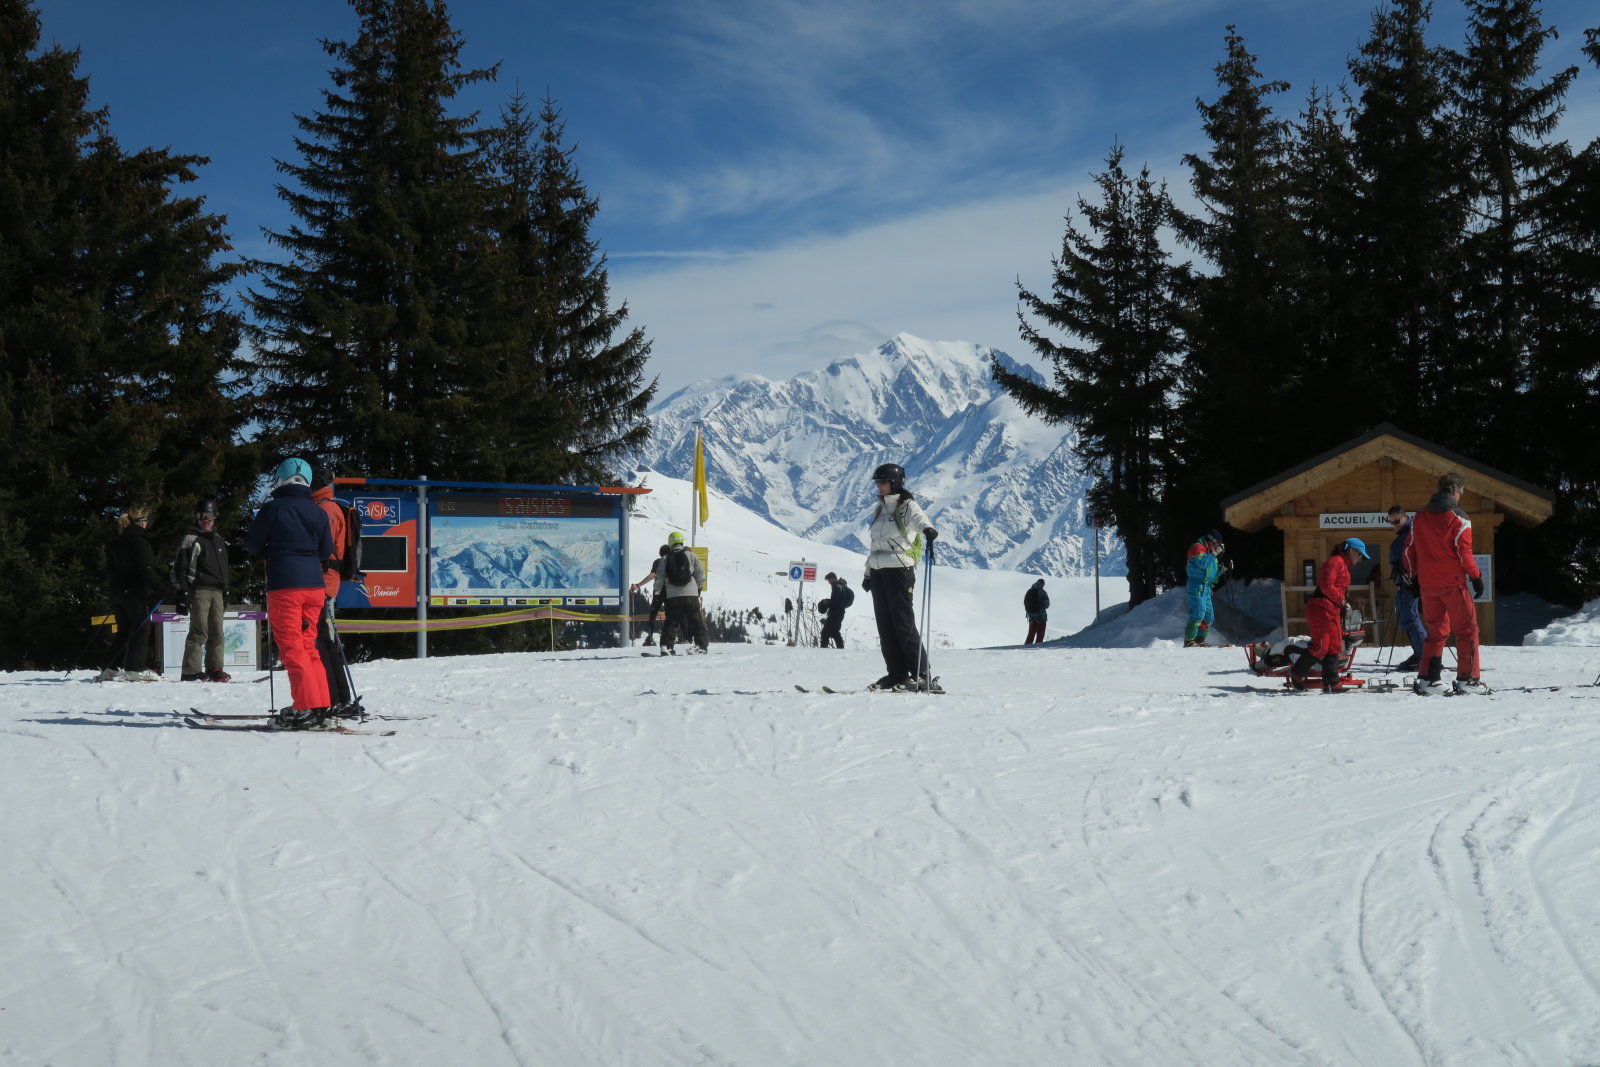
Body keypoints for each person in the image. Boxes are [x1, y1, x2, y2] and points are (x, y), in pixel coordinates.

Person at [244, 458, 335, 727]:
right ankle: (320, 705)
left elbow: (252, 543)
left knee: (292, 647)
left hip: (285, 584)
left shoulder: (273, 508)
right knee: (310, 645)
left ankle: (304, 708)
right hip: (314, 585)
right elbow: (326, 550)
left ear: (280, 479)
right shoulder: (318, 511)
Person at [1403, 472, 1486, 695]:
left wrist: (1412, 577)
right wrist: (1476, 576)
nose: (1461, 497)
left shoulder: (1419, 517)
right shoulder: (1459, 517)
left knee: (1436, 631)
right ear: (1455, 490)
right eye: (1461, 493)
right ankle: (1468, 679)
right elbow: (1464, 552)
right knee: (1468, 630)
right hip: (1453, 584)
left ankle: (1428, 679)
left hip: (1428, 585)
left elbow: (1409, 551)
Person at [862, 462, 938, 691]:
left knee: (903, 623)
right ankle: (896, 673)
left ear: (894, 483)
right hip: (878, 571)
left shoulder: (907, 506)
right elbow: (875, 545)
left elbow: (921, 521)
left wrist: (929, 531)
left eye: (882, 481)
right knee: (885, 625)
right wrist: (868, 573)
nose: (878, 485)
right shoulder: (881, 509)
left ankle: (921, 674)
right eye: (878, 481)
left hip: (899, 569)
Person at [1289, 537, 1369, 693]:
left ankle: (1331, 683)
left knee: (1334, 646)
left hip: (1331, 610)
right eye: (1360, 555)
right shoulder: (1336, 562)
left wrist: (1343, 603)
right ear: (1351, 550)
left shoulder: (1343, 565)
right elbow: (1326, 585)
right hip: (1321, 609)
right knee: (1321, 646)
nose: (1360, 560)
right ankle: (1297, 673)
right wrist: (1342, 600)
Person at [102, 505, 173, 681]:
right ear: (142, 522)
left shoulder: (118, 541)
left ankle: (111, 668)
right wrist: (165, 590)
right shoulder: (140, 542)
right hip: (133, 591)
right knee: (141, 627)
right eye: (147, 520)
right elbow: (147, 571)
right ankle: (135, 668)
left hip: (117, 590)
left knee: (124, 629)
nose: (148, 524)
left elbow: (110, 567)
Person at [310, 463, 355, 713]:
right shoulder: (328, 505)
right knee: (324, 639)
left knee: (320, 640)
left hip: (323, 578)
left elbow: (320, 546)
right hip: (328, 577)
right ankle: (339, 696)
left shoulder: (325, 509)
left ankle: (334, 697)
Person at [172, 498, 231, 682]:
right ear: (196, 518)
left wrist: (226, 590)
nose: (205, 520)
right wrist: (182, 592)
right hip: (200, 590)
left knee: (217, 632)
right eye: (201, 516)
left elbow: (223, 568)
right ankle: (191, 670)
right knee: (199, 631)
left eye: (209, 516)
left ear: (215, 517)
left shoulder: (218, 540)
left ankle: (214, 667)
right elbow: (180, 568)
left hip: (217, 591)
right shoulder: (191, 539)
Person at [1386, 505, 1427, 672]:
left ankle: (1425, 656)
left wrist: (1411, 577)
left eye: (1397, 521)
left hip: (1410, 581)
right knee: (1404, 618)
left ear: (1405, 517)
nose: (1395, 525)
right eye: (1391, 522)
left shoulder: (1412, 533)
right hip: (1404, 581)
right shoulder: (1405, 534)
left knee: (1410, 617)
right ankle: (1420, 653)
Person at [653, 531, 708, 654]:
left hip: (673, 596)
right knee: (696, 620)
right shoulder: (691, 555)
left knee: (671, 621)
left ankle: (666, 646)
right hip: (691, 594)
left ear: (670, 542)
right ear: (681, 541)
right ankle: (701, 645)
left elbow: (659, 578)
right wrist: (697, 590)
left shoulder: (665, 558)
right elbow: (700, 575)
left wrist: (658, 594)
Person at [1184, 530, 1227, 647]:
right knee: (1198, 613)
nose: (1217, 547)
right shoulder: (1197, 548)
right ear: (1210, 540)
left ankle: (1199, 640)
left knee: (1209, 617)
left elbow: (1210, 573)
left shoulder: (1210, 552)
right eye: (1216, 544)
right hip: (1197, 586)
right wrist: (1215, 553)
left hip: (1206, 588)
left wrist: (1222, 569)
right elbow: (1203, 563)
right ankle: (1189, 640)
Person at [629, 544, 670, 646]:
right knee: (671, 615)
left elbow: (652, 575)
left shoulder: (658, 562)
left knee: (653, 614)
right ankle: (672, 638)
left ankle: (650, 638)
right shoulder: (673, 561)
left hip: (658, 591)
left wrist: (638, 585)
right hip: (671, 591)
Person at [819, 572, 854, 649]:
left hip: (835, 613)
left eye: (829, 580)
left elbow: (835, 601)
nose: (829, 582)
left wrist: (827, 602)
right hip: (840, 612)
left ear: (833, 578)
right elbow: (837, 600)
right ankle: (840, 649)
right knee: (835, 632)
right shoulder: (841, 585)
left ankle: (822, 650)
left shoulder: (836, 586)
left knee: (825, 633)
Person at [1023, 578, 1049, 644]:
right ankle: (1037, 649)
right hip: (1041, 617)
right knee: (1040, 635)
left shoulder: (1029, 591)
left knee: (1031, 634)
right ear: (1042, 584)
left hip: (1031, 617)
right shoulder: (1042, 592)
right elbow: (1046, 605)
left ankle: (1026, 647)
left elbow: (1025, 602)